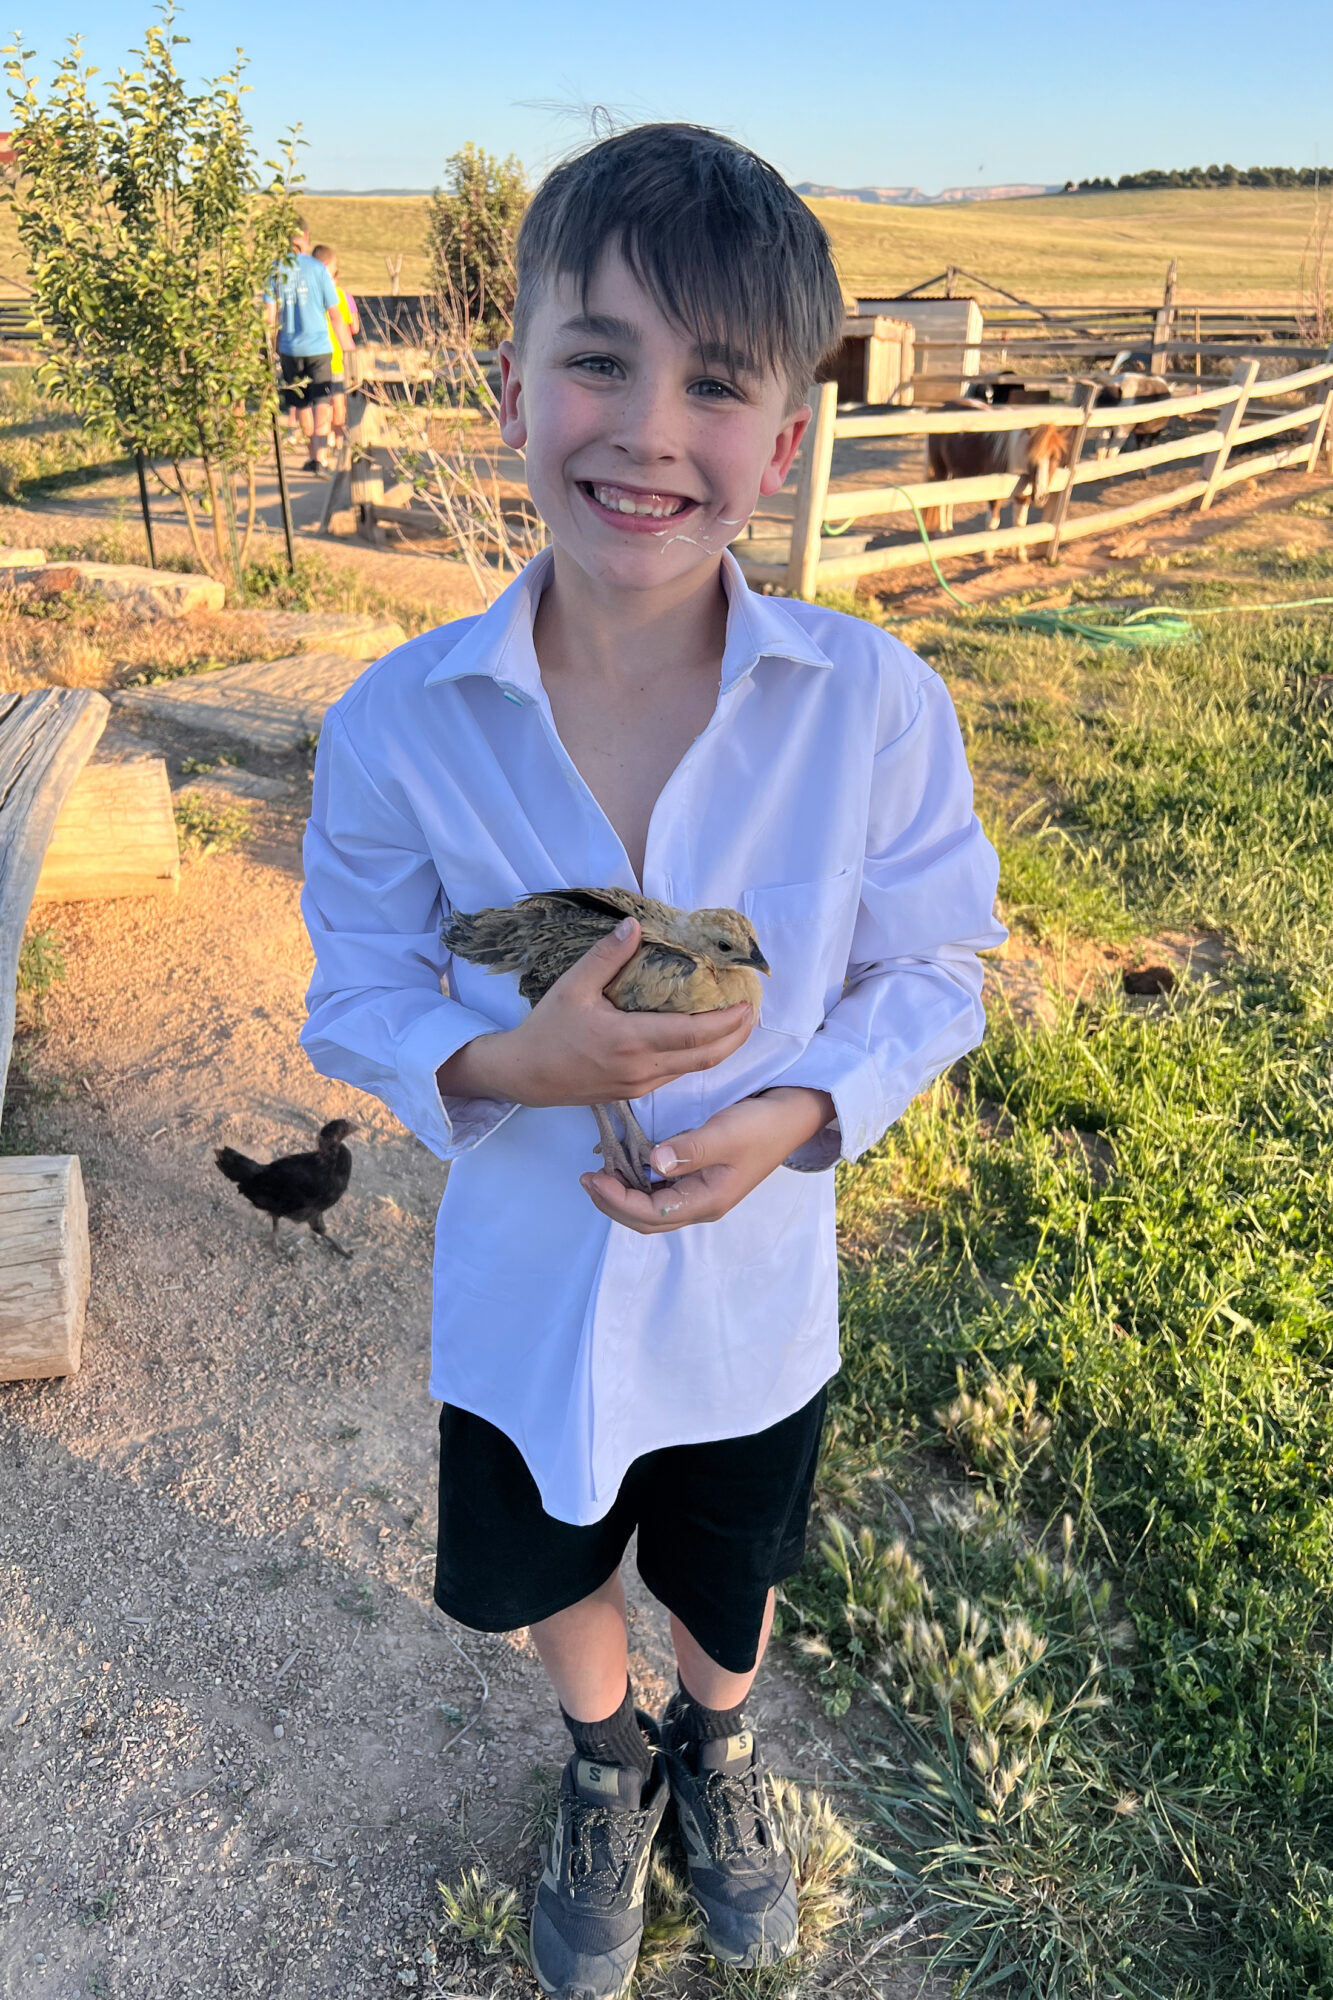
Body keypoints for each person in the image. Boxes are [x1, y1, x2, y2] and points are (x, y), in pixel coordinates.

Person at [300, 123, 1004, 2000]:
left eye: (715, 382)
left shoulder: (867, 710)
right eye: (597, 356)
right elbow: (355, 990)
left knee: (726, 1548)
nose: (645, 428)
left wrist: (793, 1110)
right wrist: (515, 1064)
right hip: (528, 1282)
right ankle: (603, 1760)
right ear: (507, 378)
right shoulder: (398, 729)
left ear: (781, 442)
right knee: (551, 1545)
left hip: (755, 1287)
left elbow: (941, 963)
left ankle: (714, 1737)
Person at [263, 224, 341, 474]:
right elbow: (335, 312)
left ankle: (311, 456)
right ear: (306, 237)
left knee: (301, 403)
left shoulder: (275, 269)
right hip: (318, 345)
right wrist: (346, 346)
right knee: (322, 401)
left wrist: (270, 347)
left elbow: (269, 318)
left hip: (289, 347)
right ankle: (320, 458)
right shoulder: (317, 268)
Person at [313, 243, 360, 451]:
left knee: (338, 407)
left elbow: (352, 326)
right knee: (324, 407)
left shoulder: (341, 296)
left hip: (338, 361)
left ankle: (339, 445)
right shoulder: (316, 298)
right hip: (321, 360)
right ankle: (322, 448)